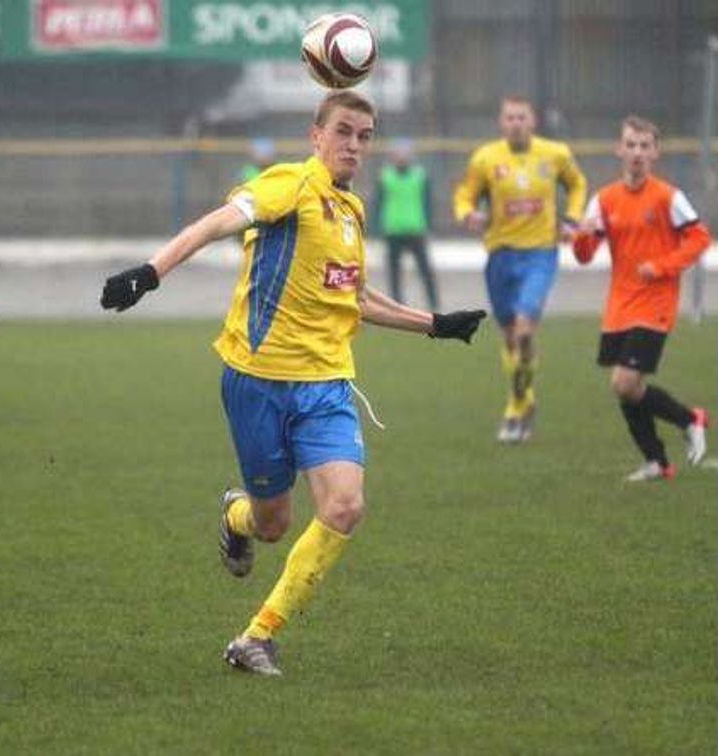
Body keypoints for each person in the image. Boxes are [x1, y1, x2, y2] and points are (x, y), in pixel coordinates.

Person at [99, 90, 486, 676]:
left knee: (346, 505)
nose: (354, 145)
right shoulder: (289, 185)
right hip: (258, 382)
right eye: (343, 132)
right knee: (272, 523)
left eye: (365, 135)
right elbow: (215, 223)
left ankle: (258, 637)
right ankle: (237, 518)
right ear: (316, 135)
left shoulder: (352, 212)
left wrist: (435, 325)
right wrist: (150, 273)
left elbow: (351, 296)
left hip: (327, 384)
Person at [572, 116, 711, 481]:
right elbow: (584, 255)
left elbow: (699, 239)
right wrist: (582, 237)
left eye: (644, 146)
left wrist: (663, 266)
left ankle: (689, 419)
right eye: (630, 145)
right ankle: (658, 462)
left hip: (656, 304)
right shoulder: (604, 200)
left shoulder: (668, 196)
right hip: (620, 305)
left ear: (655, 153)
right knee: (627, 389)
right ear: (619, 149)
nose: (637, 152)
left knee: (623, 382)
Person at [453, 96, 587, 443]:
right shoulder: (486, 158)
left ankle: (515, 405)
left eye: (521, 117)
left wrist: (572, 218)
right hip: (500, 256)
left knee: (526, 331)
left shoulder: (555, 154)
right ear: (501, 123)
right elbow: (464, 194)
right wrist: (469, 215)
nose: (516, 122)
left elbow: (577, 184)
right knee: (511, 337)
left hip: (541, 255)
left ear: (533, 120)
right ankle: (525, 400)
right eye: (509, 117)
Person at [371, 138, 438, 309]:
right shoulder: (384, 177)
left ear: (410, 156)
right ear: (393, 156)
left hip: (416, 229)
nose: (401, 157)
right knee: (394, 273)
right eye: (398, 154)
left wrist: (429, 226)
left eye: (404, 154)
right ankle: (397, 305)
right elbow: (378, 203)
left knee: (425, 271)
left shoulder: (420, 176)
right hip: (393, 230)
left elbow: (428, 203)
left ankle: (433, 304)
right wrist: (376, 229)